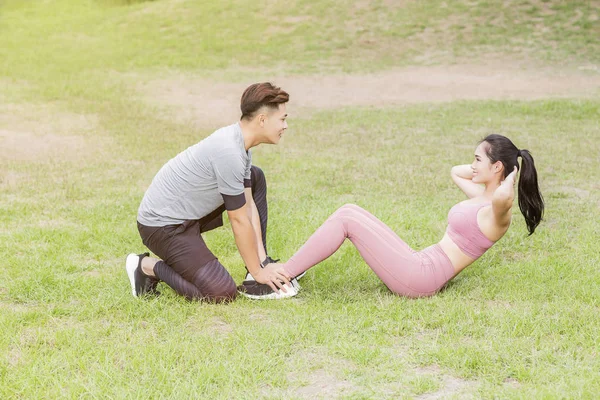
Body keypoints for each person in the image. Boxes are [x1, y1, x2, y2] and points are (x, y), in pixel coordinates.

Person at [258, 134, 544, 299]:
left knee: (347, 221)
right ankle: (294, 268)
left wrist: (510, 174)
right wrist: (487, 168)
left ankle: (282, 277)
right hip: (422, 262)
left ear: (497, 168)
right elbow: (455, 172)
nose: (472, 164)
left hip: (421, 278)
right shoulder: (481, 198)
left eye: (478, 159)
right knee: (349, 210)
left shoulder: (498, 211)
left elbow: (505, 197)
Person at [126, 82, 300, 302]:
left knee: (255, 177)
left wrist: (261, 264)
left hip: (189, 215)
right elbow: (239, 220)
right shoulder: (229, 151)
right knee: (220, 293)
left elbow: (248, 206)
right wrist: (259, 273)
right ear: (262, 120)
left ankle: (256, 266)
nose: (285, 126)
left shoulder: (242, 146)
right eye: (283, 119)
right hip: (163, 227)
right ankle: (145, 267)